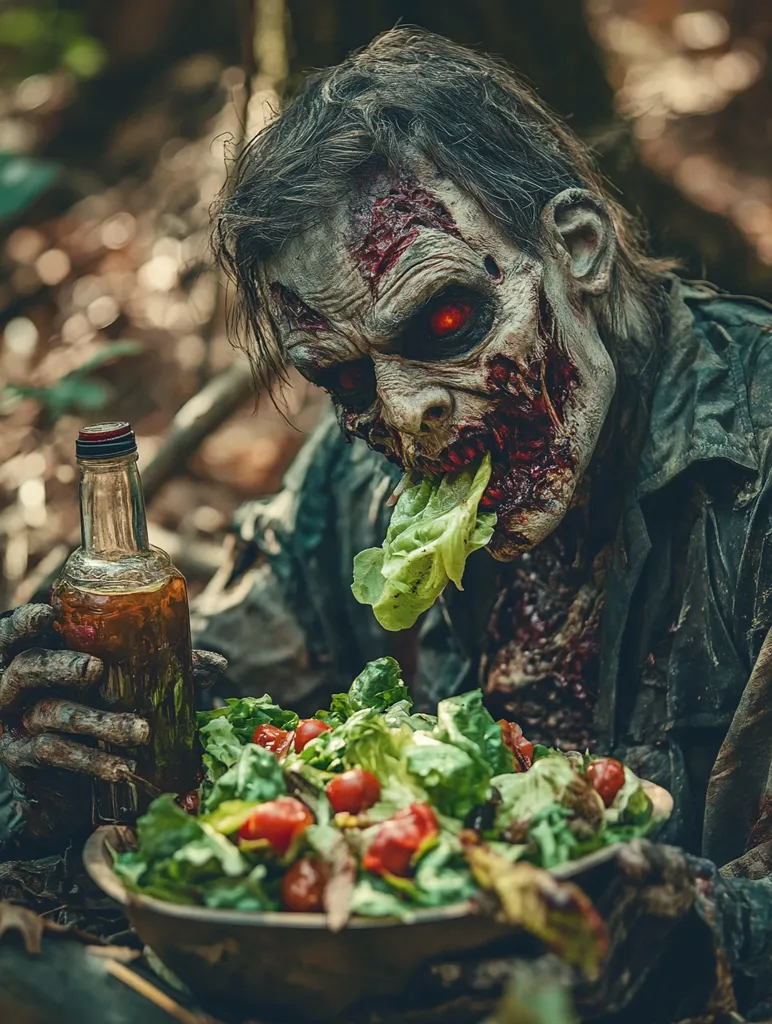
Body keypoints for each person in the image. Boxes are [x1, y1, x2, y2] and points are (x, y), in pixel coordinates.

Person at [2, 27, 772, 1021]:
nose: (407, 416)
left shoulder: (754, 444)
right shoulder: (351, 473)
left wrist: (694, 938)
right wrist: (74, 764)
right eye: (346, 379)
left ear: (576, 247)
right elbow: (218, 703)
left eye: (445, 323)